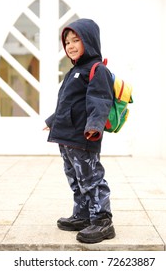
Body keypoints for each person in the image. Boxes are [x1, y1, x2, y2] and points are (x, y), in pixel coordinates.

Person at [43, 18, 116, 243]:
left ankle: (102, 220)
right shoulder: (73, 72)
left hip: (83, 137)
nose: (70, 45)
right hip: (66, 137)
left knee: (90, 178)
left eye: (76, 40)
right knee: (75, 178)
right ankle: (83, 215)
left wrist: (94, 126)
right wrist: (53, 120)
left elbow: (99, 100)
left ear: (90, 41)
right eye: (67, 42)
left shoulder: (97, 69)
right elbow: (67, 104)